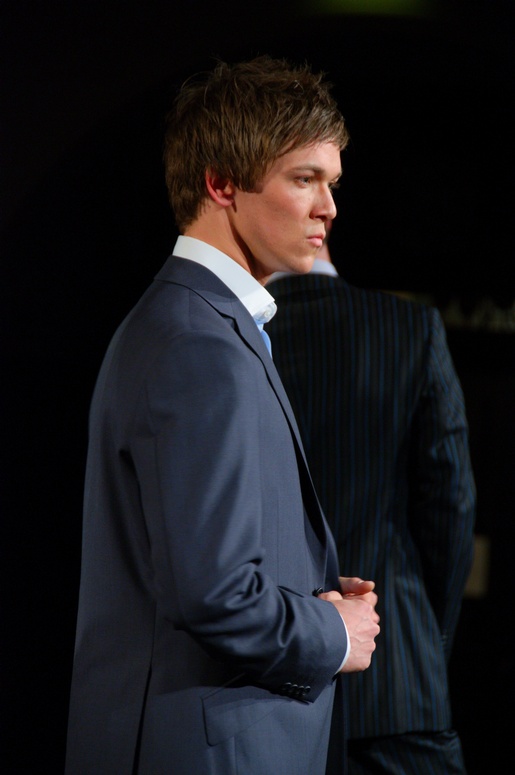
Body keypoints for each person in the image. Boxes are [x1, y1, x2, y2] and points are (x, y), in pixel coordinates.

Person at [65, 57, 380, 775]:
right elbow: (214, 594)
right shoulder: (197, 343)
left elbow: (202, 563)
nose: (328, 208)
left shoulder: (201, 326)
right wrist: (331, 632)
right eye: (305, 179)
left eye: (332, 183)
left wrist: (311, 590)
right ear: (221, 184)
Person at [266, 223, 476, 774]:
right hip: (401, 684)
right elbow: (451, 504)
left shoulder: (232, 341)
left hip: (270, 692)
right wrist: (428, 641)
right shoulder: (411, 329)